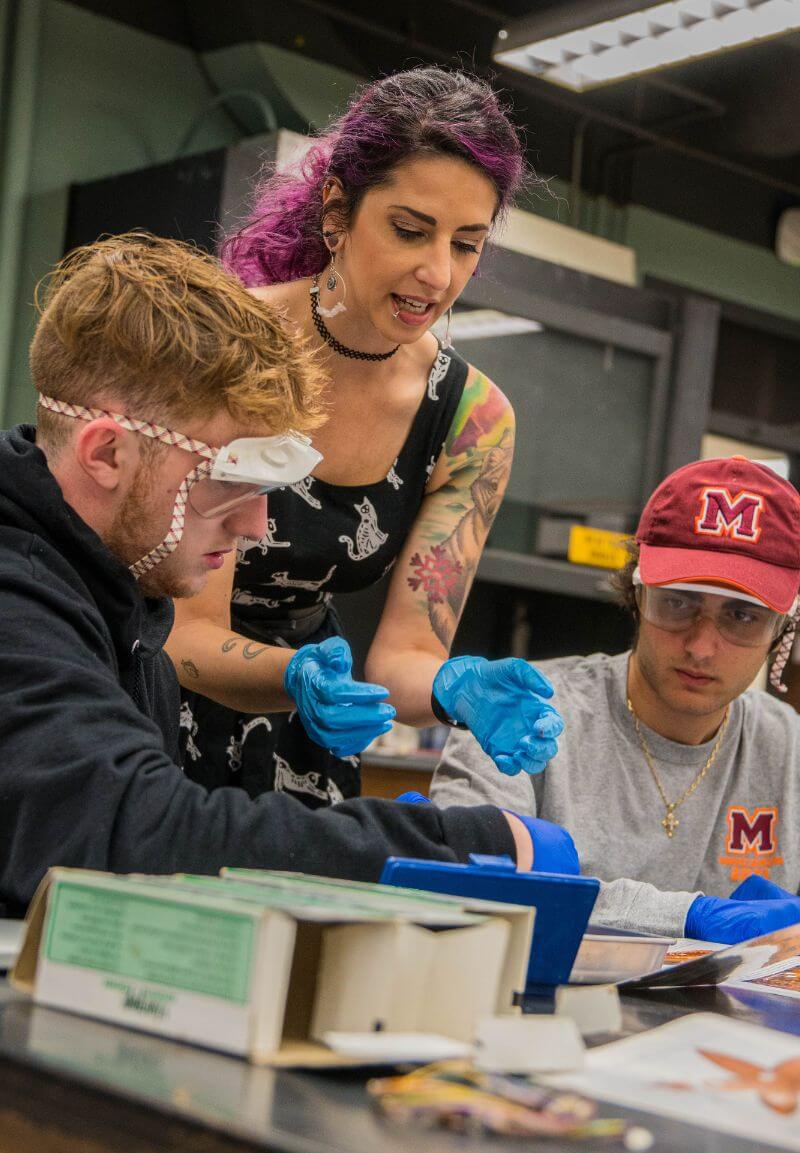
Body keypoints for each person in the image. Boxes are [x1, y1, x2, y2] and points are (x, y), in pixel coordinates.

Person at [0, 232, 577, 919]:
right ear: (106, 454)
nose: (256, 528)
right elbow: (129, 834)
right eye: (232, 482)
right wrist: (456, 845)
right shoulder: (18, 599)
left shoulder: (122, 602)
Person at [167, 65, 563, 806]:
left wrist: (454, 688)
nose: (437, 273)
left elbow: (404, 655)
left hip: (306, 735)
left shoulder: (472, 419)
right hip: (156, 709)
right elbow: (184, 629)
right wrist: (293, 676)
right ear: (337, 211)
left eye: (467, 244)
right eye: (410, 230)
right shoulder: (224, 350)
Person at [431, 456, 800, 944]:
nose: (701, 646)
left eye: (742, 616)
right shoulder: (520, 715)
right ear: (637, 595)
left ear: (783, 630)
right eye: (678, 602)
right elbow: (466, 882)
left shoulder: (788, 747)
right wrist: (686, 915)